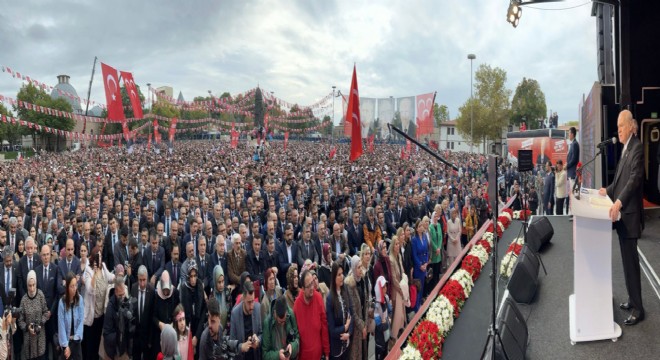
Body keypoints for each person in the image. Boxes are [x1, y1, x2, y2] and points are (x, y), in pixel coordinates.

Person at [599, 109, 645, 326]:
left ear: (630, 126)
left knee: (632, 264)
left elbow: (634, 179)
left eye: (620, 127)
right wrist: (606, 191)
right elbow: (619, 181)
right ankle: (631, 299)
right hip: (622, 216)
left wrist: (618, 202)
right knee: (626, 264)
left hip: (629, 214)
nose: (617, 130)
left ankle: (638, 308)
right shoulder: (625, 148)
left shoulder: (637, 147)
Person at [294, 269, 329, 360]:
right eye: (309, 286)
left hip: (318, 355)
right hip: (304, 356)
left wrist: (326, 352)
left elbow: (324, 326)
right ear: (302, 289)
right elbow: (296, 333)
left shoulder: (318, 297)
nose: (312, 288)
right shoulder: (297, 305)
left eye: (312, 283)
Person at [35, 243, 62, 359]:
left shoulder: (55, 269)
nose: (46, 257)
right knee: (43, 347)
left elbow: (57, 293)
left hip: (53, 315)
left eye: (47, 255)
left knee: (55, 345)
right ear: (40, 256)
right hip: (41, 316)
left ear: (50, 255)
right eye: (43, 255)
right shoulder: (36, 271)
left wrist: (50, 311)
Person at [18, 270, 47, 360]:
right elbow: (20, 320)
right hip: (28, 339)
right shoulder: (24, 300)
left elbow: (46, 312)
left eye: (33, 285)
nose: (32, 288)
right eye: (29, 285)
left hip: (40, 337)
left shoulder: (40, 295)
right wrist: (27, 328)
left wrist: (40, 324)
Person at [179, 261, 207, 356]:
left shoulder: (200, 286)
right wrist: (190, 335)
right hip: (188, 330)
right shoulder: (184, 289)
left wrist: (196, 336)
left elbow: (203, 312)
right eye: (191, 276)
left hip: (199, 330)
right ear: (187, 276)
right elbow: (183, 312)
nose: (193, 279)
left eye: (195, 276)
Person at [229, 280, 262, 360]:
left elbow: (262, 333)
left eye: (253, 301)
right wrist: (241, 347)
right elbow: (231, 343)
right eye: (249, 302)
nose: (252, 306)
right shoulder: (235, 314)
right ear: (243, 299)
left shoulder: (258, 308)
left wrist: (258, 340)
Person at [102, 276, 132, 360]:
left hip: (123, 348)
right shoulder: (110, 307)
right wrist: (119, 334)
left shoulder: (126, 301)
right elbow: (106, 334)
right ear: (115, 292)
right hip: (112, 351)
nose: (122, 298)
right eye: (120, 295)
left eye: (123, 294)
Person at [262, 295, 300, 360]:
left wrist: (292, 347)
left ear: (286, 312)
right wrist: (278, 355)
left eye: (284, 321)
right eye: (280, 322)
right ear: (274, 313)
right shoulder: (268, 323)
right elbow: (265, 355)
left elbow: (298, 340)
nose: (282, 324)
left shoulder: (291, 315)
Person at [153, 270, 180, 356]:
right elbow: (153, 316)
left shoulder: (175, 293)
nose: (165, 293)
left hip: (172, 333)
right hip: (159, 334)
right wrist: (159, 324)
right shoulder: (156, 295)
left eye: (167, 290)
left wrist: (173, 323)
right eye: (164, 290)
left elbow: (178, 311)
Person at [130, 265, 155, 360]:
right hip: (136, 336)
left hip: (147, 336)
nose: (142, 283)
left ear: (147, 278)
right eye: (140, 280)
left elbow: (152, 315)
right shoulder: (133, 288)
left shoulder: (152, 291)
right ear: (137, 278)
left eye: (144, 280)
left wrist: (150, 340)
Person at [58, 272, 84, 360]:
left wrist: (74, 343)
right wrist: (66, 347)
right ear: (67, 287)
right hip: (66, 342)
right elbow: (61, 325)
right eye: (71, 286)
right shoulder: (62, 302)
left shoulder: (80, 299)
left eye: (75, 285)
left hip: (76, 341)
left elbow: (81, 322)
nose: (74, 288)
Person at [343, 256, 365, 360]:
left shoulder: (362, 280)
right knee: (354, 355)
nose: (361, 269)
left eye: (361, 266)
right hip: (355, 326)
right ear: (353, 268)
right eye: (358, 267)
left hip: (362, 322)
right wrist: (362, 326)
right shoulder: (349, 284)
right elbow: (353, 311)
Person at [388, 235, 408, 344]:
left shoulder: (399, 256)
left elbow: (402, 269)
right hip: (396, 290)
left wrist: (404, 282)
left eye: (398, 244)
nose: (398, 246)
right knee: (397, 314)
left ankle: (401, 332)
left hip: (401, 286)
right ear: (392, 246)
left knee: (402, 313)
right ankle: (394, 337)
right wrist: (400, 289)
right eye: (396, 244)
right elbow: (394, 279)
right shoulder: (391, 259)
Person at [411, 220, 429, 311]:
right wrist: (420, 265)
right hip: (418, 268)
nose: (422, 227)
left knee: (422, 286)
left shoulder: (425, 236)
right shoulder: (414, 239)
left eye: (422, 225)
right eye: (420, 226)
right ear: (417, 229)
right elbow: (414, 255)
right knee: (418, 287)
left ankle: (420, 306)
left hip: (424, 265)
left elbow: (427, 251)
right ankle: (416, 309)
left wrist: (426, 263)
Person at [373, 276, 392, 360]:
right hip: (380, 340)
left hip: (387, 336)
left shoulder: (386, 298)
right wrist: (388, 322)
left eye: (386, 286)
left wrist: (386, 321)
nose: (385, 289)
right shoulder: (376, 306)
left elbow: (390, 311)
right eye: (383, 287)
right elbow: (380, 326)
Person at [428, 206, 443, 289]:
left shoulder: (439, 225)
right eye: (434, 217)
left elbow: (440, 237)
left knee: (438, 270)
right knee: (433, 270)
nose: (436, 218)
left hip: (438, 251)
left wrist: (439, 247)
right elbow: (431, 240)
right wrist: (435, 248)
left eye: (437, 217)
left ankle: (438, 285)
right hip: (434, 253)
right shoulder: (430, 227)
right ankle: (433, 287)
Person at [566, 126, 579, 217]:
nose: (568, 135)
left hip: (573, 172)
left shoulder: (574, 144)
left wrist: (567, 165)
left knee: (573, 193)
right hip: (571, 172)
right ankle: (572, 212)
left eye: (569, 133)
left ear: (572, 134)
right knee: (571, 193)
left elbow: (574, 159)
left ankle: (573, 213)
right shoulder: (573, 143)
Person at [211, 265, 230, 330]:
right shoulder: (212, 296)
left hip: (227, 332)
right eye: (219, 282)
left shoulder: (227, 293)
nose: (221, 285)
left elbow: (230, 314)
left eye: (223, 281)